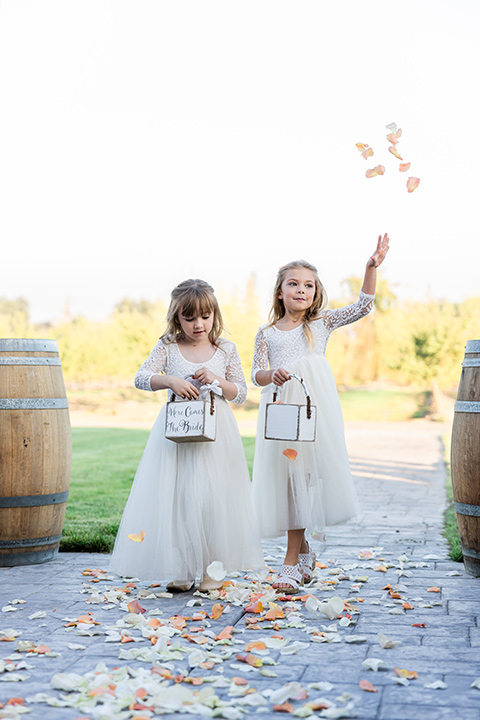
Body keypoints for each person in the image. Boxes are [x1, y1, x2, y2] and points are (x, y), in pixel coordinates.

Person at [251, 234, 390, 593]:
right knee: (286, 481)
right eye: (293, 284)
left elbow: (362, 306)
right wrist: (273, 375)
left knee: (304, 478)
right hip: (282, 411)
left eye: (309, 285)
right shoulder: (266, 334)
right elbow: (256, 374)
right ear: (279, 292)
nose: (302, 290)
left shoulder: (321, 324)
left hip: (314, 411)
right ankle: (303, 552)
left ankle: (290, 560)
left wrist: (370, 268)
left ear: (316, 293)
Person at [110, 279, 264, 592]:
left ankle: (212, 570)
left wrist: (217, 380)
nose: (198, 325)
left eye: (205, 317)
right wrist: (171, 381)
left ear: (214, 315)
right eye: (190, 318)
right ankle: (182, 569)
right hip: (178, 433)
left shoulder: (225, 349)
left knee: (212, 499)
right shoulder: (168, 345)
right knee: (180, 498)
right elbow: (141, 377)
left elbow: (240, 393)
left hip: (215, 435)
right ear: (177, 318)